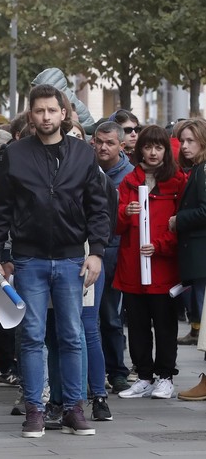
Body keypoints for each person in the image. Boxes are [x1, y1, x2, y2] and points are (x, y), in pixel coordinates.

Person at [0, 84, 110, 438]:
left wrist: (97, 252)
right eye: (39, 111)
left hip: (72, 257)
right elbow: (0, 209)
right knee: (32, 336)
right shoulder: (16, 154)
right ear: (30, 114)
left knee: (72, 334)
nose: (45, 117)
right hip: (30, 258)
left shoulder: (83, 154)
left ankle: (73, 408)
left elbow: (98, 207)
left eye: (51, 111)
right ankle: (35, 409)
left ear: (63, 113)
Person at [114, 125, 186, 400]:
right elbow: (116, 225)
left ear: (166, 151)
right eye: (148, 146)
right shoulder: (129, 181)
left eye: (159, 147)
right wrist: (125, 212)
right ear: (139, 149)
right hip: (133, 264)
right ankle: (144, 375)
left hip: (163, 265)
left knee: (165, 323)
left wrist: (160, 245)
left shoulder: (178, 181)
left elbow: (181, 225)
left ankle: (165, 376)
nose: (153, 152)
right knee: (137, 323)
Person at [92, 121, 134, 392]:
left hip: (116, 254)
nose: (104, 147)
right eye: (99, 142)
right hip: (90, 253)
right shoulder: (85, 169)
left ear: (121, 145)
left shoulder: (130, 176)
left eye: (110, 143)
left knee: (110, 315)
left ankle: (117, 370)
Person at [173, 118, 206, 400]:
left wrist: (177, 220)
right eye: (182, 140)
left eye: (190, 141)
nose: (184, 146)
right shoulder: (198, 169)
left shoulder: (204, 170)